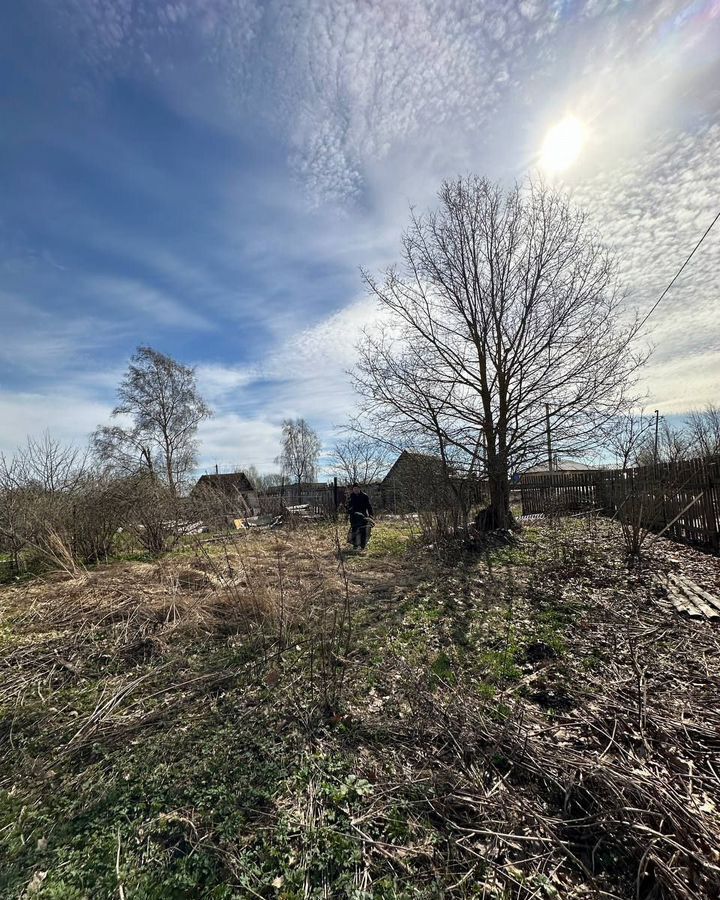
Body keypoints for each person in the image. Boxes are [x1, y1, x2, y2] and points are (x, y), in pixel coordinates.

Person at [347, 482, 373, 550]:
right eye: (354, 489)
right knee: (354, 530)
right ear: (352, 489)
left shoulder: (364, 496)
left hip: (363, 516)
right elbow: (348, 506)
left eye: (356, 489)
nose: (355, 490)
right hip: (354, 517)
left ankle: (362, 545)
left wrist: (371, 514)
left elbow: (369, 506)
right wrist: (349, 511)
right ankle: (355, 545)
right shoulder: (351, 496)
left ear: (359, 489)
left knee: (363, 530)